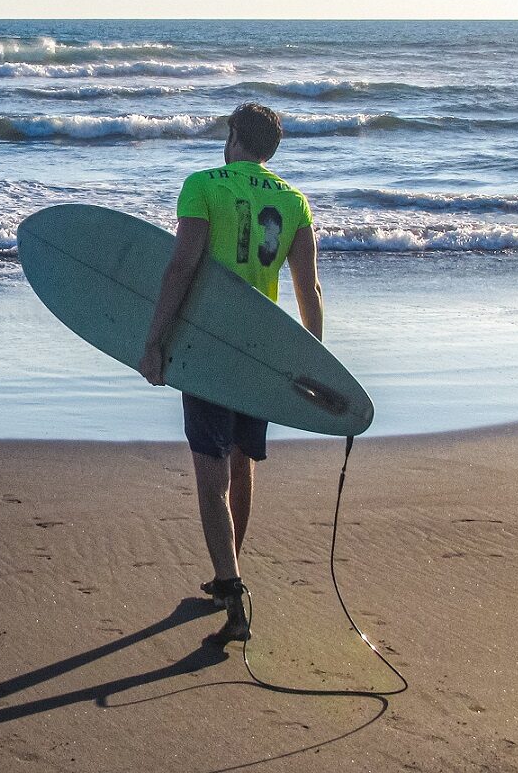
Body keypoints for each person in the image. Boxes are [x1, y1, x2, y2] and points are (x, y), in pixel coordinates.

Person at [137, 102, 323, 642]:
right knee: (242, 465)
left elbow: (181, 266)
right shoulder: (294, 202)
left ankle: (231, 589)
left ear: (235, 137)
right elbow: (307, 288)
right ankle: (231, 569)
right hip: (261, 351)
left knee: (209, 474)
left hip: (208, 349)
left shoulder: (203, 186)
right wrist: (315, 362)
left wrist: (154, 342)